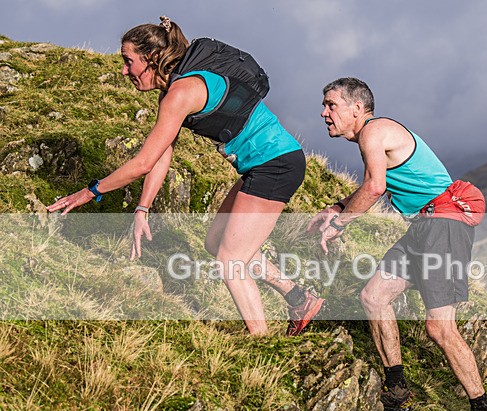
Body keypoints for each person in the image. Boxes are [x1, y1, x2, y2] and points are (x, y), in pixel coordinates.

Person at [46, 17, 323, 336]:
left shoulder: (183, 91)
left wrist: (89, 191)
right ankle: (299, 299)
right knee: (216, 242)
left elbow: (141, 163)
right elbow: (161, 157)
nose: (124, 71)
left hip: (276, 163)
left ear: (150, 59)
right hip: (263, 164)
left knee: (230, 260)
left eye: (128, 61)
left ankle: (262, 345)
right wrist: (142, 209)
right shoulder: (173, 94)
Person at [307, 77, 487, 411]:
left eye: (331, 105)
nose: (324, 113)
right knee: (374, 297)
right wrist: (337, 206)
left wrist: (340, 222)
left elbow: (375, 187)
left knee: (440, 328)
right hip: (424, 226)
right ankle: (397, 389)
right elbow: (373, 185)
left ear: (357, 109)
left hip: (443, 225)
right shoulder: (375, 135)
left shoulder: (373, 132)